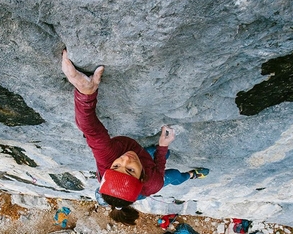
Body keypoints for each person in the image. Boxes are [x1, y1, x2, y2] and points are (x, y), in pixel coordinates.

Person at [62, 50, 209, 225]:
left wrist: (86, 93)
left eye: (117, 166)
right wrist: (163, 147)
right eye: (130, 170)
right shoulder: (153, 184)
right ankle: (191, 176)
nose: (125, 159)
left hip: (137, 165)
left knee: (151, 154)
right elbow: (159, 169)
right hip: (144, 167)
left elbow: (90, 129)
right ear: (142, 177)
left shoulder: (107, 159)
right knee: (174, 176)